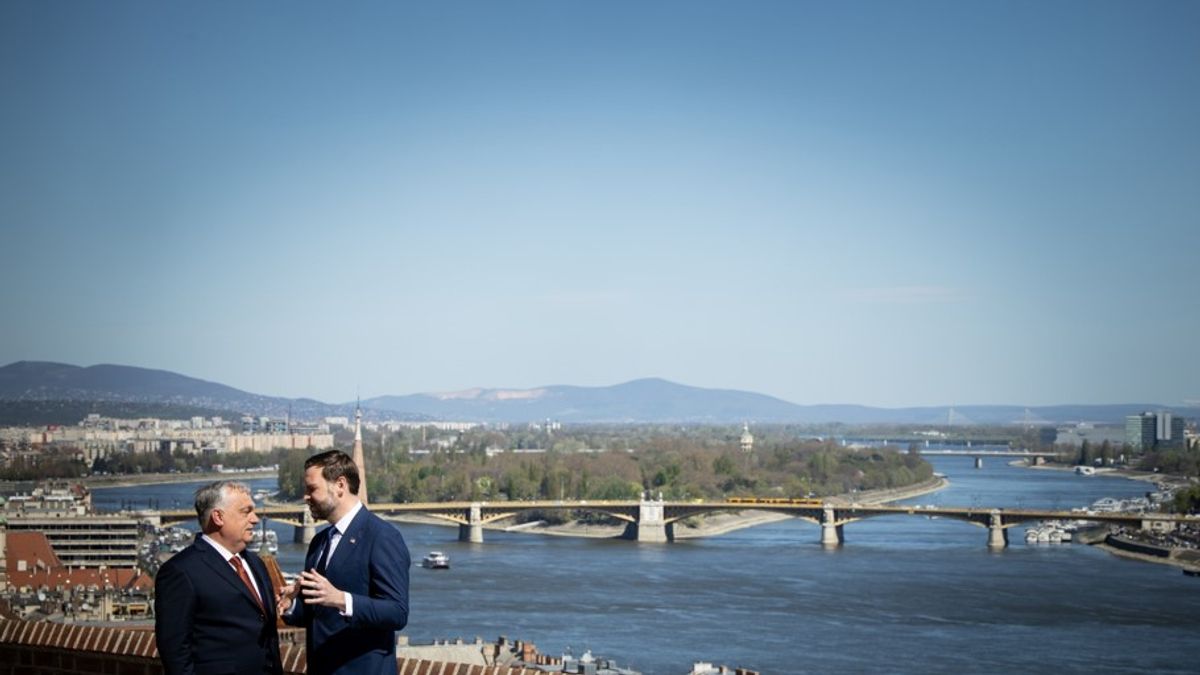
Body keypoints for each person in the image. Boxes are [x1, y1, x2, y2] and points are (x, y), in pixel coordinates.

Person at [278, 450, 410, 675]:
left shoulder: (381, 536)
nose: (305, 497)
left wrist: (340, 599)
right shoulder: (319, 541)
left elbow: (397, 612)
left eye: (312, 489)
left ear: (340, 485)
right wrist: (290, 606)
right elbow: (319, 613)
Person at [155, 480, 282, 675]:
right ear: (218, 517)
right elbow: (175, 651)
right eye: (245, 511)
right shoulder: (181, 571)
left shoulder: (256, 564)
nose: (255, 519)